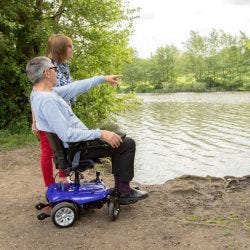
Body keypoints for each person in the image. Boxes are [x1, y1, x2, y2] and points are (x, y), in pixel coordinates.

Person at [27, 56, 148, 201]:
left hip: (73, 147)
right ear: (47, 73)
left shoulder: (40, 93)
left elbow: (74, 87)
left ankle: (121, 187)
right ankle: (123, 191)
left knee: (117, 135)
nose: (57, 72)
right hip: (76, 149)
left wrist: (102, 78)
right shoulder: (48, 101)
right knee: (127, 143)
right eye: (54, 69)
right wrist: (100, 133)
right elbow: (67, 134)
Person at [32, 34, 74, 187]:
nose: (72, 49)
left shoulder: (64, 65)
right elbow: (35, 92)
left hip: (62, 113)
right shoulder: (45, 66)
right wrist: (35, 121)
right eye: (70, 46)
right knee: (48, 151)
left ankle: (64, 177)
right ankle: (50, 186)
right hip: (48, 114)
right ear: (61, 49)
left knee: (64, 146)